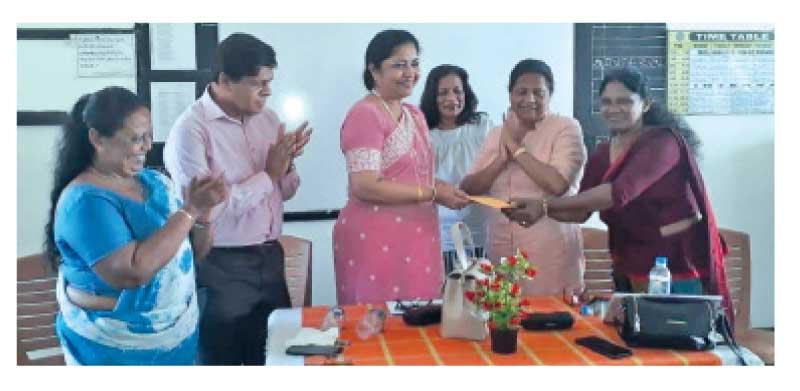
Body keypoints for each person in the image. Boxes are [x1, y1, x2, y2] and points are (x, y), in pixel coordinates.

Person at [501, 67, 734, 322]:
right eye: (607, 102)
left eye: (624, 101)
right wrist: (538, 212)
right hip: (628, 267)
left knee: (677, 350)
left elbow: (619, 192)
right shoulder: (603, 152)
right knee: (633, 345)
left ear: (645, 104)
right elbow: (580, 211)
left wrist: (544, 205)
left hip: (674, 268)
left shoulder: (664, 143)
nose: (614, 109)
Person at [45, 87, 228, 365]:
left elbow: (190, 255)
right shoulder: (84, 201)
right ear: (97, 139)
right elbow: (132, 272)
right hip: (114, 351)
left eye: (149, 135)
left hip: (178, 341)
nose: (147, 146)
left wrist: (203, 215)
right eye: (136, 138)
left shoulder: (154, 183)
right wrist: (190, 210)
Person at [163, 33, 312, 365]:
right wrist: (269, 174)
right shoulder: (191, 131)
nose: (267, 91)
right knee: (222, 365)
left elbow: (284, 193)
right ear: (225, 81)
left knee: (278, 361)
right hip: (220, 265)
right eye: (258, 83)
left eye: (270, 82)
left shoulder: (269, 120)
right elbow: (209, 211)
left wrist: (287, 166)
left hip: (271, 258)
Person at [333, 30, 470, 305]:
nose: (410, 72)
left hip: (419, 238)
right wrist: (433, 194)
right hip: (375, 240)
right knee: (378, 332)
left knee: (420, 328)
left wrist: (443, 189)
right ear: (374, 70)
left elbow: (419, 175)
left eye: (415, 63)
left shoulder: (415, 114)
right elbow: (365, 185)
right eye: (399, 65)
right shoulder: (365, 113)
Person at [461, 59, 587, 296]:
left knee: (547, 324)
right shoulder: (497, 133)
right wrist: (502, 158)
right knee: (504, 322)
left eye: (539, 93)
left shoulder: (566, 128)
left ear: (550, 95)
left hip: (549, 252)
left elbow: (557, 184)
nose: (530, 99)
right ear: (510, 95)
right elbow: (469, 188)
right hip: (500, 251)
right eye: (521, 92)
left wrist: (517, 149)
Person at [420, 64, 492, 274]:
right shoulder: (423, 135)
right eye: (443, 93)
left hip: (482, 232)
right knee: (448, 300)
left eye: (457, 91)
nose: (452, 98)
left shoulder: (482, 125)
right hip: (440, 236)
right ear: (432, 97)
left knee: (482, 298)